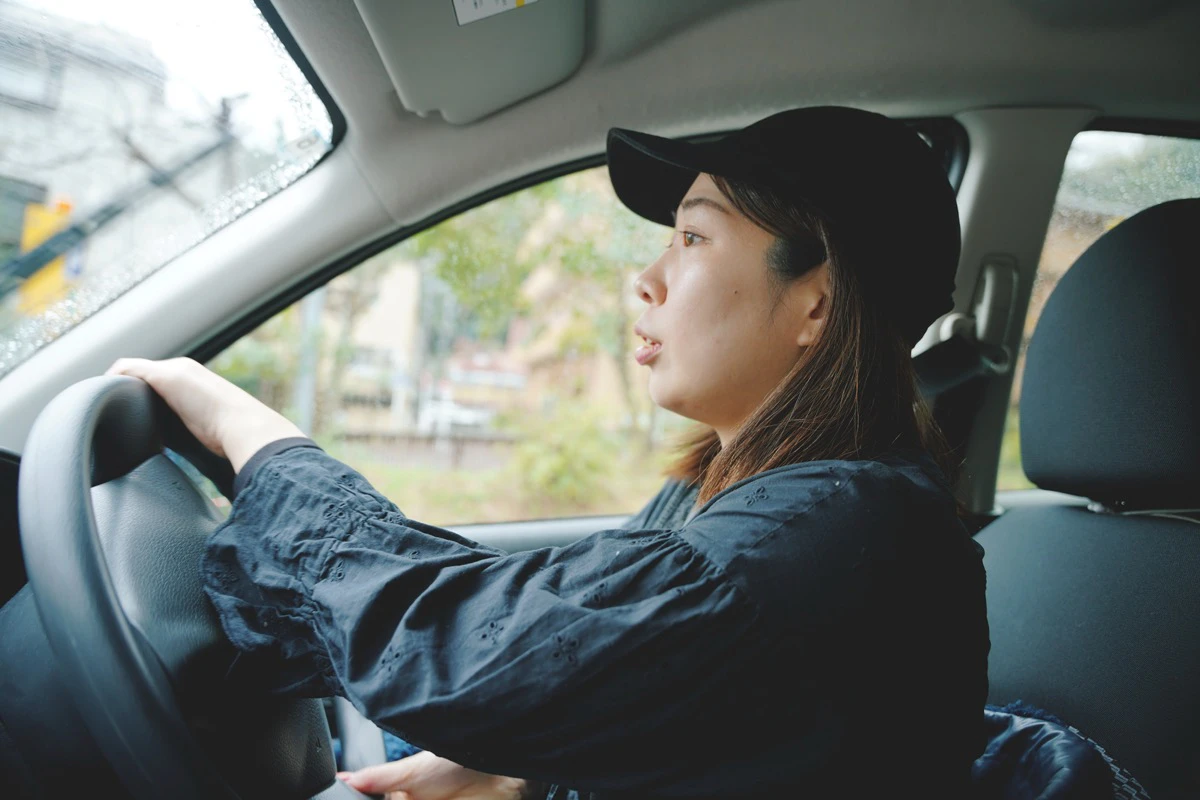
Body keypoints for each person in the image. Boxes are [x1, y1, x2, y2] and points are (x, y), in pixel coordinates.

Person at [108, 106, 989, 799]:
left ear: (818, 307)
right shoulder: (770, 499)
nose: (645, 279)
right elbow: (677, 705)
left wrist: (250, 438)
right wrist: (525, 772)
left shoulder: (817, 538)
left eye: (692, 236)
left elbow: (456, 646)